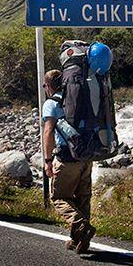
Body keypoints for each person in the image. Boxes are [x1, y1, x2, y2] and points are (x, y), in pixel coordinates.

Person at [42, 69, 95, 253]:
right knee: (83, 197)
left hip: (67, 157)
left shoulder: (51, 103)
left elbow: (48, 131)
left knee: (59, 197)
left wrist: (48, 161)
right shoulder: (78, 98)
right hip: (87, 155)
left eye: (45, 86)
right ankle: (79, 240)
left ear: (48, 86)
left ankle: (81, 226)